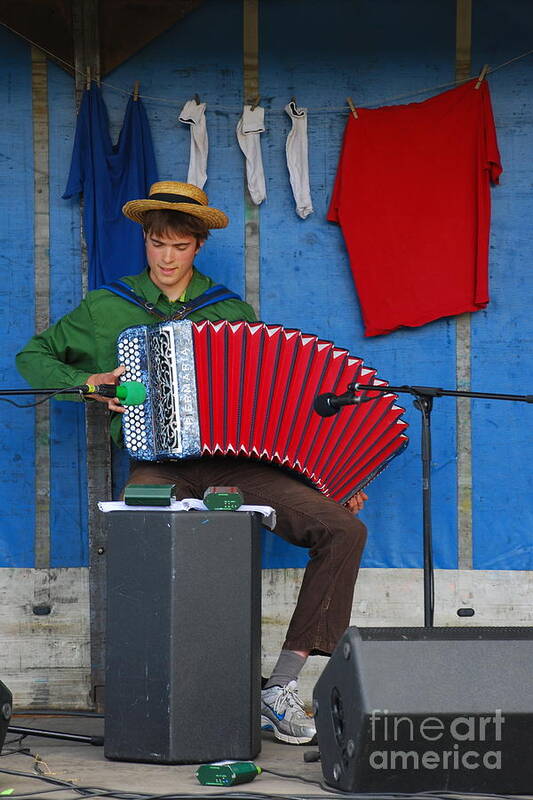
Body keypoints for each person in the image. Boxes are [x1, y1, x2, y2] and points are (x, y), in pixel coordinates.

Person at [17, 181, 367, 746]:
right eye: (157, 244)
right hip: (159, 461)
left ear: (198, 246)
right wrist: (86, 382)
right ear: (145, 242)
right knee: (139, 528)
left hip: (234, 462)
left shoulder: (230, 311)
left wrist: (333, 479)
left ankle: (279, 686)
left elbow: (274, 406)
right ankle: (151, 691)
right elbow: (33, 356)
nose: (167, 257)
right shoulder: (107, 305)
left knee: (344, 528)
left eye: (179, 246)